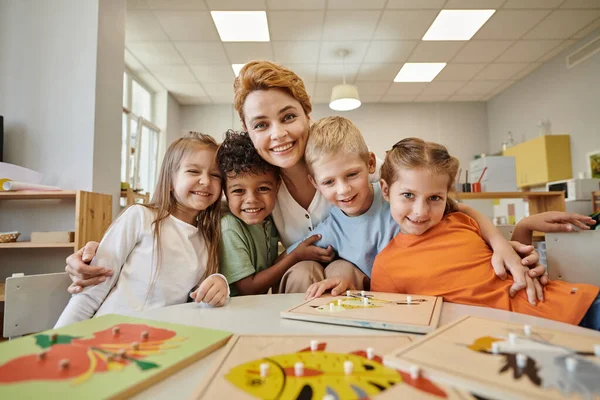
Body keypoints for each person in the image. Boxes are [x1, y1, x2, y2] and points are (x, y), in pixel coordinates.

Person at [64, 61, 542, 297]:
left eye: (287, 116)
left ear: (307, 114)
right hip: (322, 292)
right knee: (304, 270)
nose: (277, 134)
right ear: (250, 134)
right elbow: (192, 208)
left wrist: (501, 240)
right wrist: (100, 250)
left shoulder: (345, 165)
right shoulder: (259, 186)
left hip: (396, 283)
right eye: (261, 125)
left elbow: (435, 205)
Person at [293, 117, 542, 303]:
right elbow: (298, 252)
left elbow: (463, 212)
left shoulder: (398, 199)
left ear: (370, 165)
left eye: (352, 175)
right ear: (316, 183)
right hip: (391, 289)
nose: (344, 190)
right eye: (329, 182)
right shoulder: (335, 226)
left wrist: (501, 242)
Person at [370, 137, 599, 330]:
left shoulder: (462, 221)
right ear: (386, 190)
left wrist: (524, 227)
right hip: (537, 335)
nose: (421, 211)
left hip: (578, 303)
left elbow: (510, 272)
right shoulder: (386, 267)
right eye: (408, 195)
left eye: (434, 198)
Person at [55, 132, 229, 328]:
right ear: (170, 181)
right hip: (107, 334)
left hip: (157, 341)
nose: (205, 181)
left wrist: (219, 281)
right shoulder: (140, 217)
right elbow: (91, 291)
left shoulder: (206, 239)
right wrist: (57, 342)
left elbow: (197, 302)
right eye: (193, 171)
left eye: (215, 175)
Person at [216, 130, 334, 296]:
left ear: (278, 186)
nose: (251, 199)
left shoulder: (268, 221)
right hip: (237, 312)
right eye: (238, 191)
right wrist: (295, 256)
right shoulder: (229, 228)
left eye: (263, 188)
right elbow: (249, 288)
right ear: (225, 192)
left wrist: (298, 251)